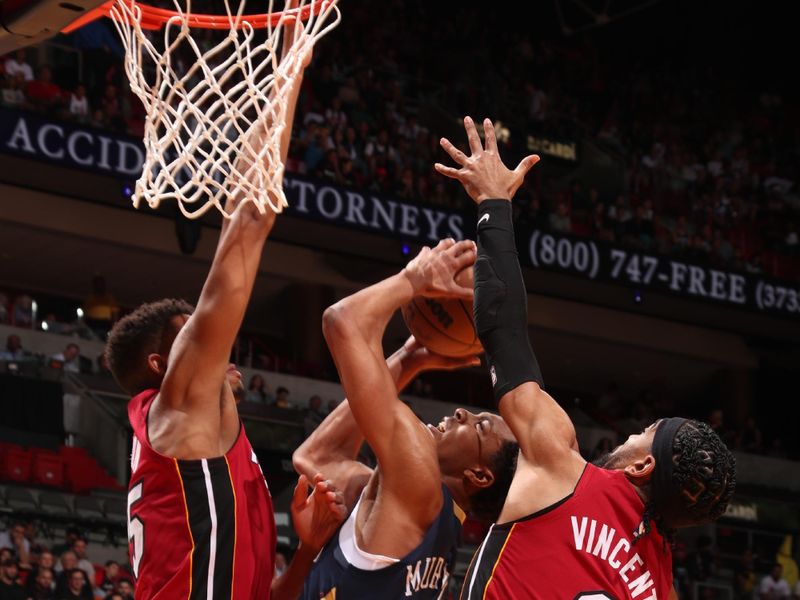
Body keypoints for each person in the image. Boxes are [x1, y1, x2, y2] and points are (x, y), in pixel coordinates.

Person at [435, 116, 736, 599]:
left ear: (642, 469)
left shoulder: (563, 464)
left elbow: (502, 330)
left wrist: (493, 203)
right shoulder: (662, 591)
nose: (631, 434)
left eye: (643, 435)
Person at [102, 25, 344, 600]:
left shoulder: (201, 441)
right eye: (194, 337)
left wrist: (308, 551)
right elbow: (251, 219)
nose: (220, 342)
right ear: (165, 364)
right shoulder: (179, 405)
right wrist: (291, 71)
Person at [296, 242, 518, 599]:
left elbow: (342, 321)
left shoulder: (419, 480)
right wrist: (410, 357)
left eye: (481, 426)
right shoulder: (429, 516)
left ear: (478, 475)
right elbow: (320, 459)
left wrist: (413, 279)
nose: (463, 413)